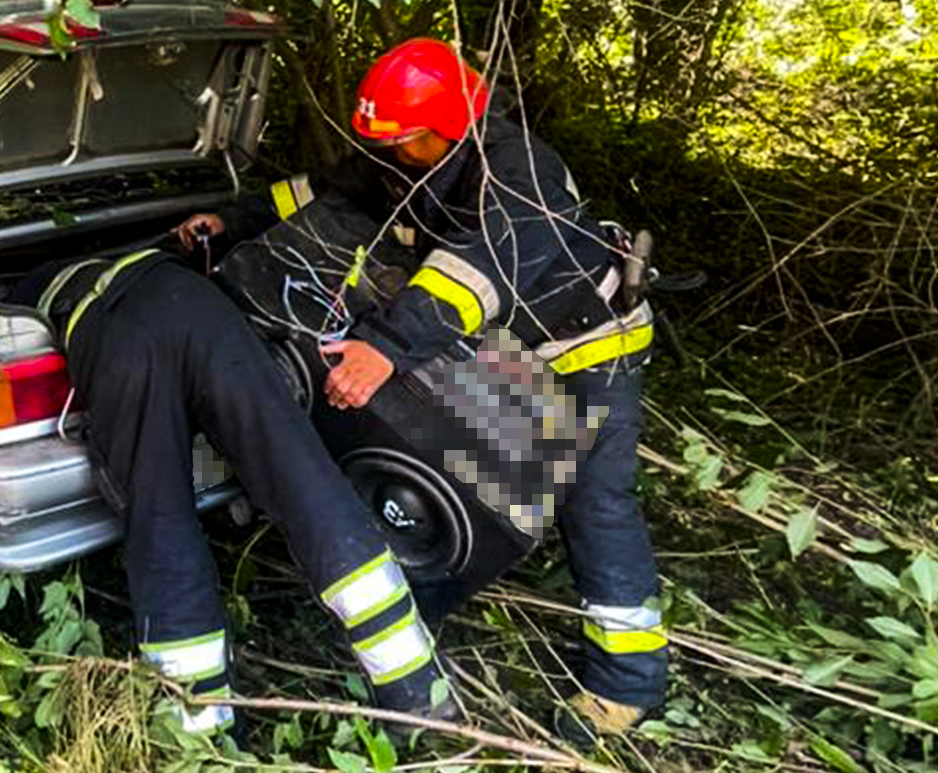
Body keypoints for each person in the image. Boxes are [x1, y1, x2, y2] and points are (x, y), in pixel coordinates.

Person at [175, 37, 667, 747]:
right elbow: (326, 191)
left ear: (454, 122)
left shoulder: (522, 172)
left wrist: (388, 347)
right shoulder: (409, 156)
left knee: (593, 496)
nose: (395, 151)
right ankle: (463, 558)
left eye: (407, 138)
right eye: (389, 139)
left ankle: (628, 684)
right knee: (475, 452)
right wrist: (237, 218)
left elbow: (475, 271)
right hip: (511, 346)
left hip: (593, 346)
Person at [8, 248, 462, 745]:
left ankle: (205, 737)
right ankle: (421, 694)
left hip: (116, 335)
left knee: (161, 522)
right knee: (303, 477)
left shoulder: (28, 291)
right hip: (192, 301)